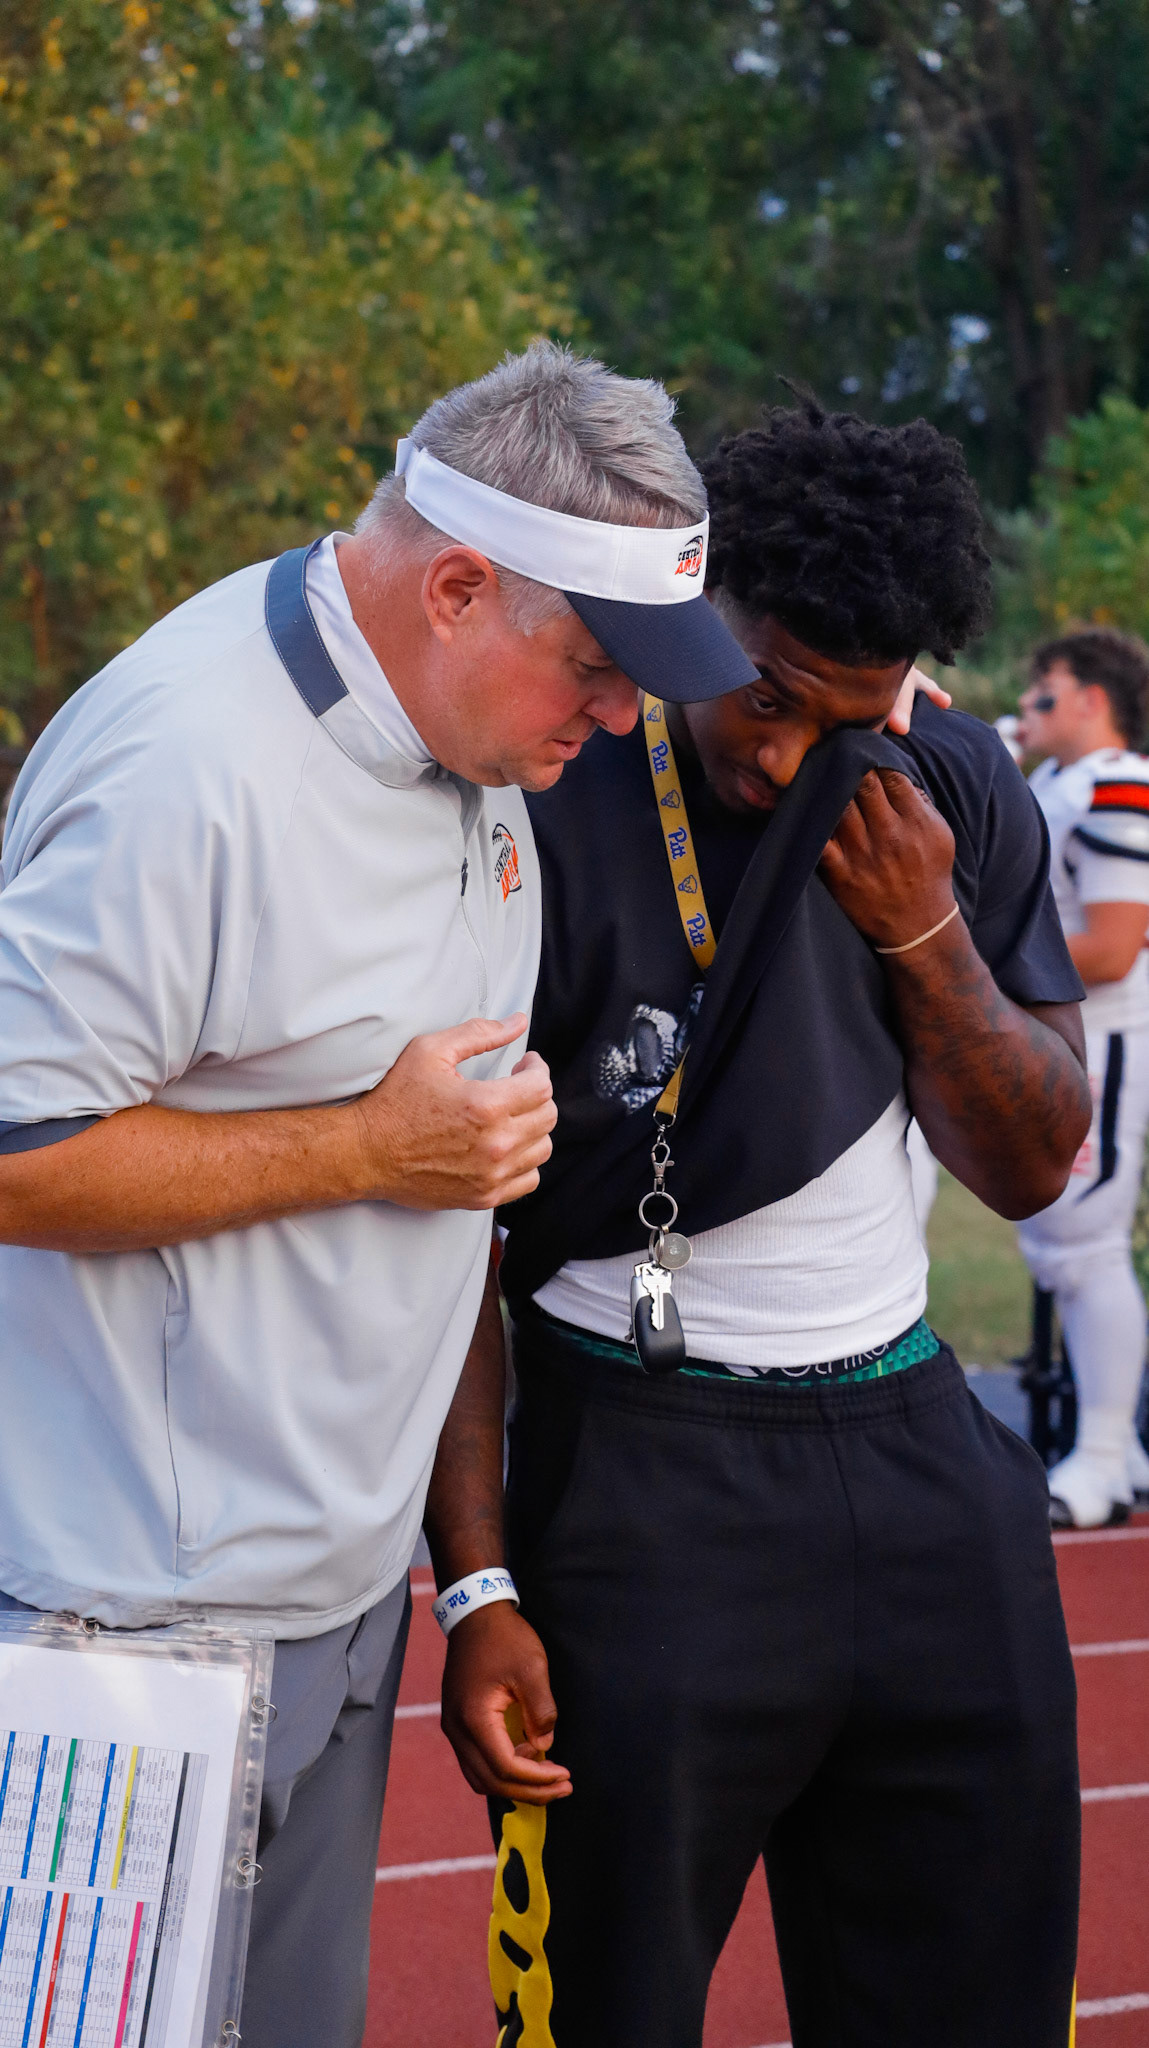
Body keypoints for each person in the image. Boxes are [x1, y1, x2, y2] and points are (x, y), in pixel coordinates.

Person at [0, 342, 759, 2047]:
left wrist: (467, 1579)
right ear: (459, 587)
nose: (620, 718)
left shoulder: (475, 745)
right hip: (121, 1624)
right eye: (596, 664)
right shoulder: (189, 767)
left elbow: (447, 1202)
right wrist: (361, 1147)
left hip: (340, 1610)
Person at [422, 398, 1092, 2048]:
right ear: (697, 599)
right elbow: (439, 1243)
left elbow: (1030, 1166)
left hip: (916, 1450)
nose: (790, 753)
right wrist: (476, 1582)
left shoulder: (940, 780)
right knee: (610, 2002)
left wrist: (925, 934)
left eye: (848, 714)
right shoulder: (548, 779)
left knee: (976, 1996)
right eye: (769, 692)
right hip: (639, 1469)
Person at [1015, 629, 1149, 1527]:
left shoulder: (1115, 782)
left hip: (1098, 1035)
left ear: (1091, 701)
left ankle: (1101, 1452)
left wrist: (970, 958)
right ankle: (1115, 1447)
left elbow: (1111, 944)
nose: (1028, 709)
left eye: (1045, 693)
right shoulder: (1061, 782)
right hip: (1059, 1035)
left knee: (1083, 1245)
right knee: (1059, 1243)